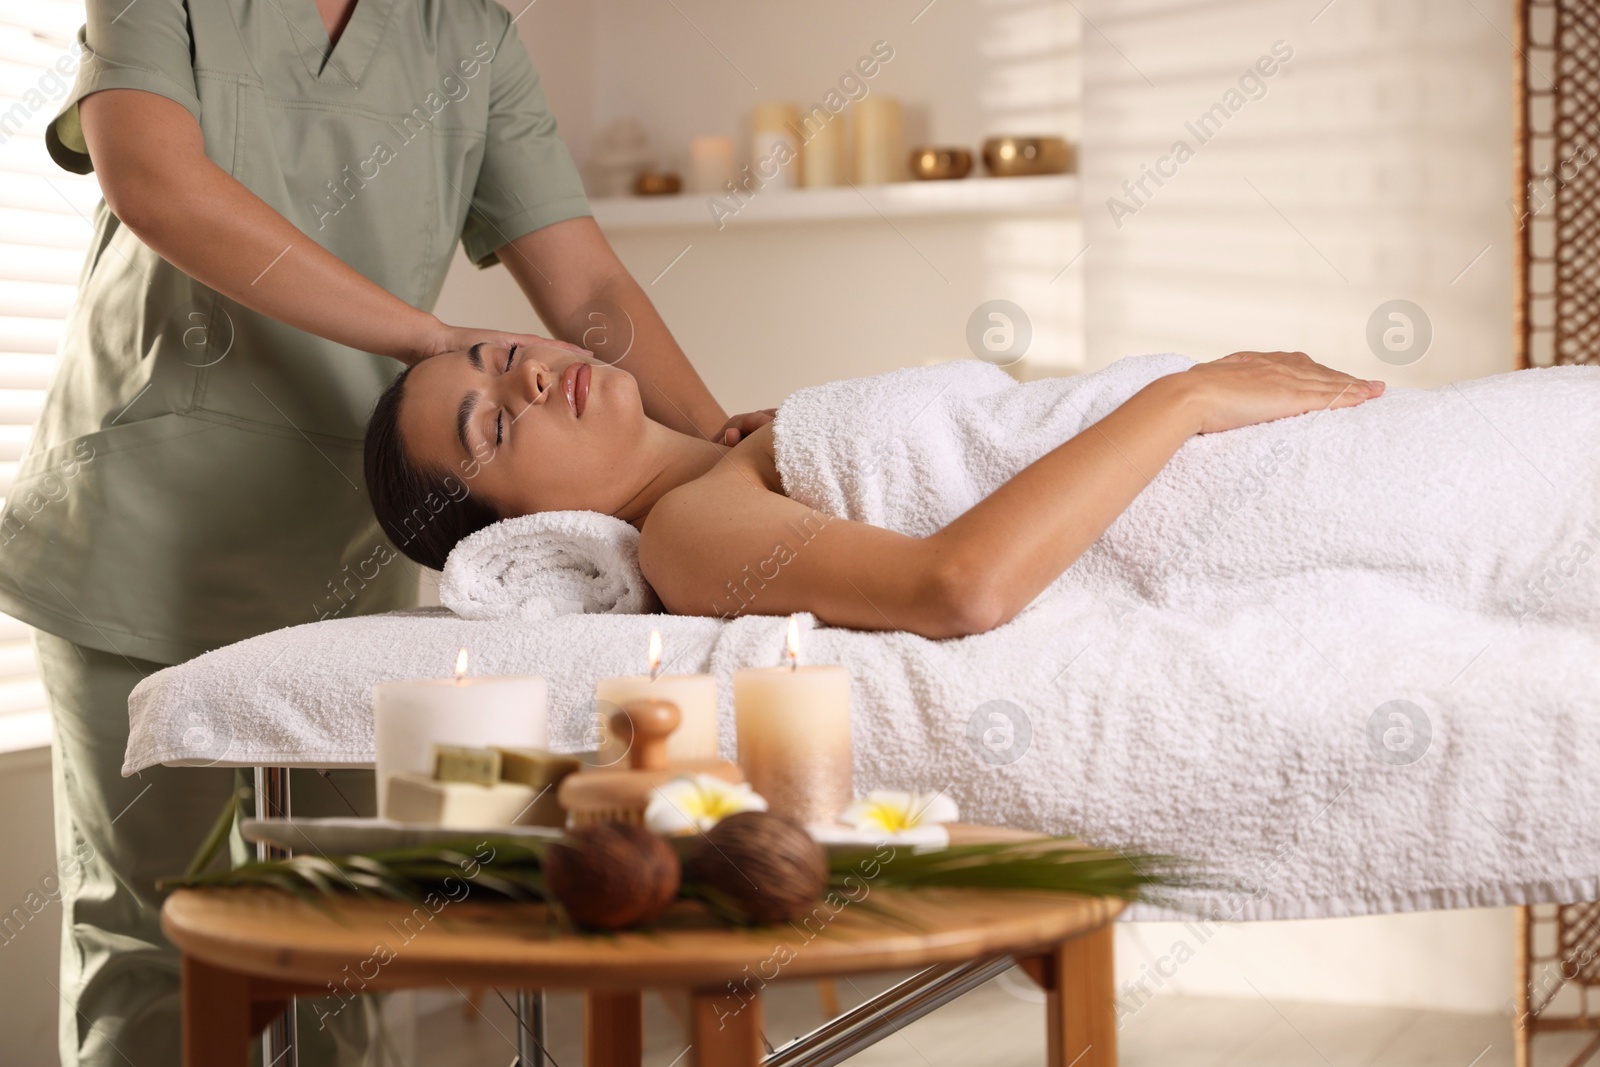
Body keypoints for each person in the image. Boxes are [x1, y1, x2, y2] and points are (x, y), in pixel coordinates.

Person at [0, 1, 768, 1064]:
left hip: (341, 565)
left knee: (345, 943)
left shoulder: (468, 39)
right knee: (151, 943)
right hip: (141, 529)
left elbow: (586, 283)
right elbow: (156, 185)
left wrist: (733, 451)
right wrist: (433, 337)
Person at [365, 346, 1399, 633]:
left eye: (503, 354)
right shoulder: (687, 533)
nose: (531, 377)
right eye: (496, 423)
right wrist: (1186, 395)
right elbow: (958, 585)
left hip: (1290, 449)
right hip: (1246, 479)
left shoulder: (739, 459)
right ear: (527, 531)